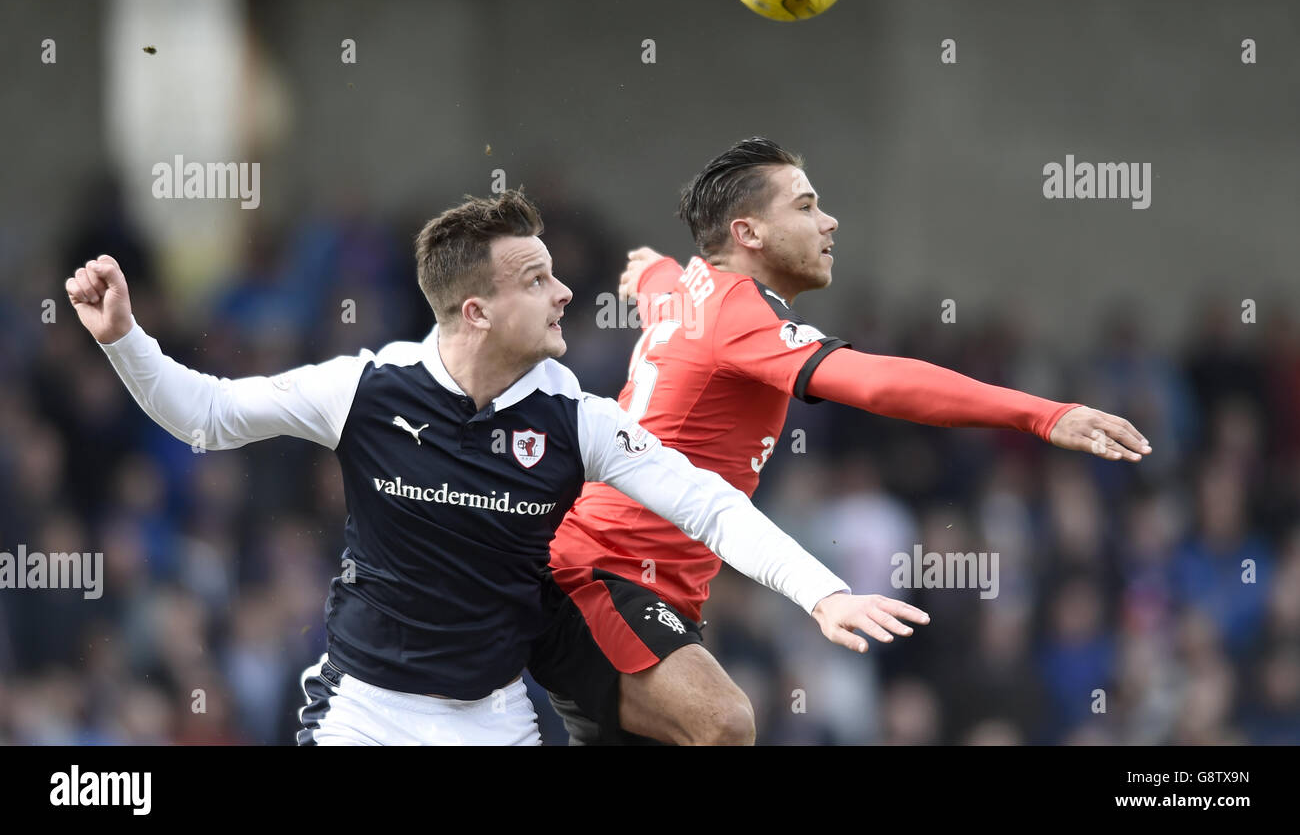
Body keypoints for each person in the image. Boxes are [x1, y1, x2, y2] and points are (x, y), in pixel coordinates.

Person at [64, 189, 927, 746]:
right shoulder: (362, 389)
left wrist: (822, 593)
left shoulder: (575, 419)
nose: (563, 295)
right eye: (537, 279)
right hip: (363, 714)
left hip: (497, 719)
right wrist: (124, 340)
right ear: (475, 311)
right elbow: (207, 415)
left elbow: (710, 507)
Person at [548, 138, 1153, 745]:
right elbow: (879, 382)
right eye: (806, 206)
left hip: (651, 591)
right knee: (725, 722)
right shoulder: (735, 310)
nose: (829, 221)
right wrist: (1041, 415)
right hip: (603, 578)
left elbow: (660, 282)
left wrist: (649, 269)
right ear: (749, 233)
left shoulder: (689, 290)